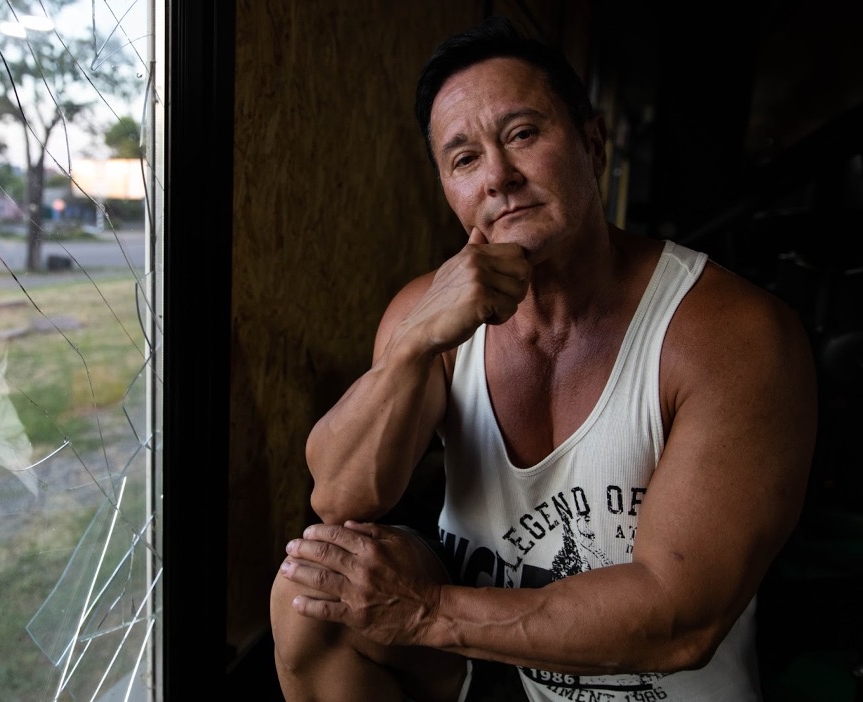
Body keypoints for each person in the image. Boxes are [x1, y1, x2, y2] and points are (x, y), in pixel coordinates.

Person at [269, 14, 817, 702]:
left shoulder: (732, 334)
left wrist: (424, 611)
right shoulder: (429, 313)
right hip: (492, 674)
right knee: (308, 592)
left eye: (523, 135)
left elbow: (681, 622)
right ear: (449, 189)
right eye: (465, 159)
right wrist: (415, 342)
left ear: (593, 143)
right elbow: (340, 496)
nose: (498, 176)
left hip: (654, 687)